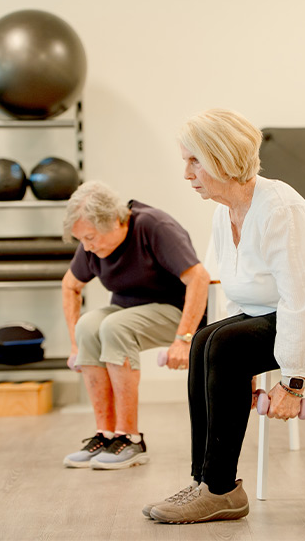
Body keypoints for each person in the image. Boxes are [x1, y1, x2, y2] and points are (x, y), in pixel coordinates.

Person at [142, 108, 305, 523]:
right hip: (293, 312)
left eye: (194, 161)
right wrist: (247, 369)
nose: (187, 174)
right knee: (207, 339)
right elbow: (240, 294)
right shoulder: (226, 211)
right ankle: (205, 483)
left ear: (222, 159)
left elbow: (304, 298)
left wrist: (292, 383)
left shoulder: (278, 208)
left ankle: (220, 490)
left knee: (225, 344)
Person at [61, 181, 209, 470]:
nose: (87, 247)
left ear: (115, 220)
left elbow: (199, 278)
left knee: (114, 326)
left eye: (90, 238)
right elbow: (70, 286)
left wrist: (184, 338)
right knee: (88, 325)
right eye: (82, 241)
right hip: (128, 311)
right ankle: (106, 436)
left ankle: (130, 439)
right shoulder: (91, 244)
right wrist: (75, 345)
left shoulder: (153, 226)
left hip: (177, 312)